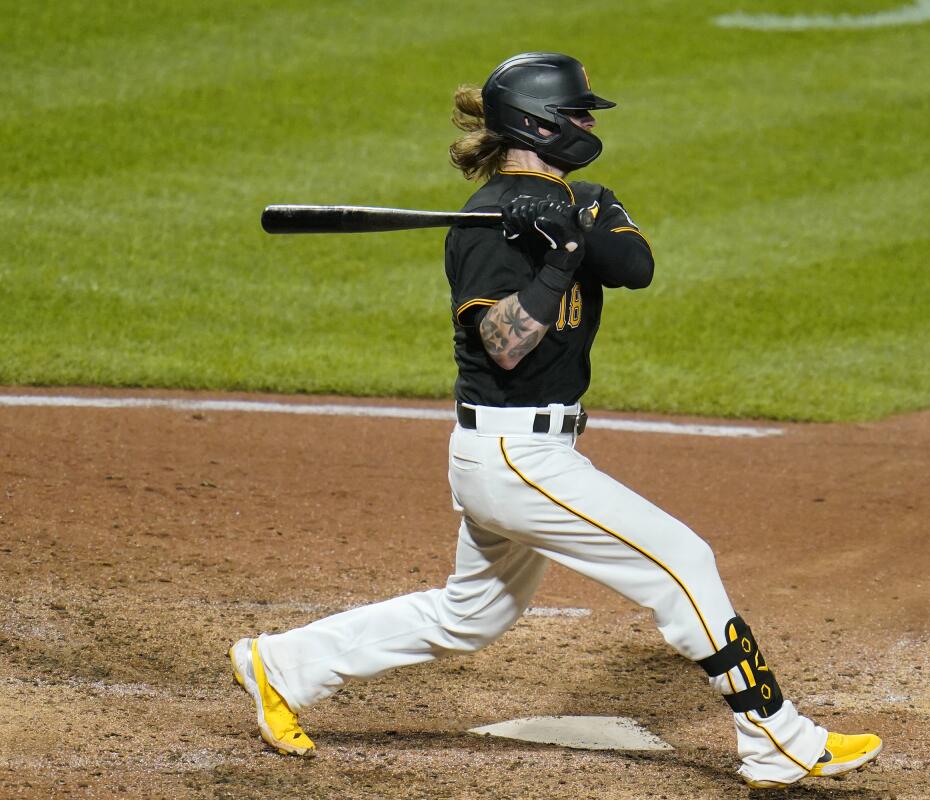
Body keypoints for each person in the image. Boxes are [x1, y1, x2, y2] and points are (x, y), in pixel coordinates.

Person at [228, 52, 882, 788]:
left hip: (523, 454)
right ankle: (778, 739)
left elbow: (635, 266)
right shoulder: (480, 230)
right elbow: (504, 347)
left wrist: (565, 227)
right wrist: (554, 260)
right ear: (537, 123)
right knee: (684, 562)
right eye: (576, 114)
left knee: (469, 617)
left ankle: (281, 664)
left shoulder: (586, 197)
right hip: (512, 455)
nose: (587, 124)